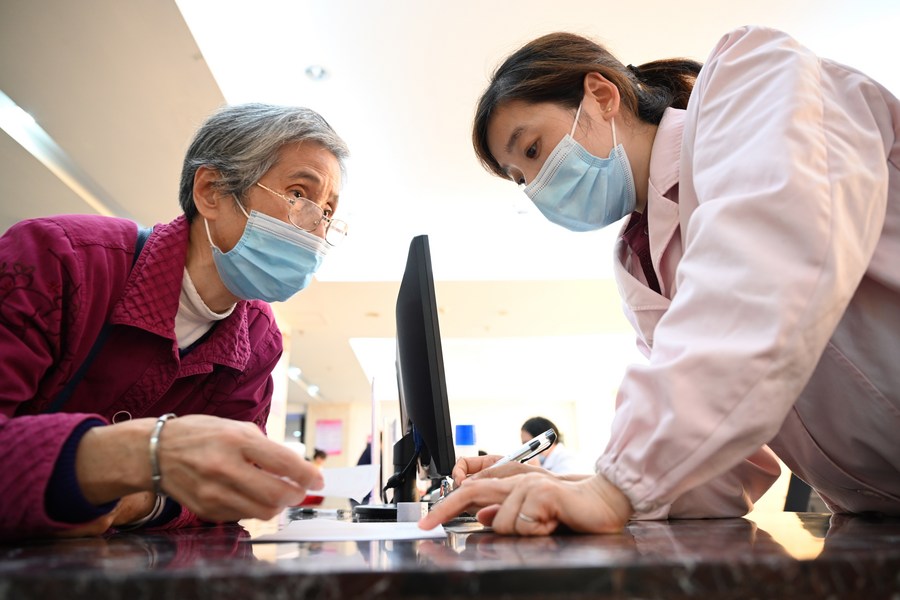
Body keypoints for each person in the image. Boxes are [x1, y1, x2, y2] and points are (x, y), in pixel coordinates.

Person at [422, 26, 900, 536]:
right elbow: (726, 470)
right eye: (521, 179)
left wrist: (616, 487)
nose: (537, 187)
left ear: (602, 95)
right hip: (876, 517)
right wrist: (572, 486)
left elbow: (764, 275)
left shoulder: (753, 77)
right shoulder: (638, 262)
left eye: (534, 151)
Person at [0, 102, 350, 539]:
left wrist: (136, 502)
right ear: (211, 191)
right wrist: (142, 456)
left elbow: (226, 497)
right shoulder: (59, 260)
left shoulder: (259, 340)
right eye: (299, 195)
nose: (317, 230)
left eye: (328, 212)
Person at [520, 417, 585, 475]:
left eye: (528, 444)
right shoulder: (541, 461)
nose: (527, 449)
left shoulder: (567, 458)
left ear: (544, 439)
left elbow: (562, 486)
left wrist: (537, 471)